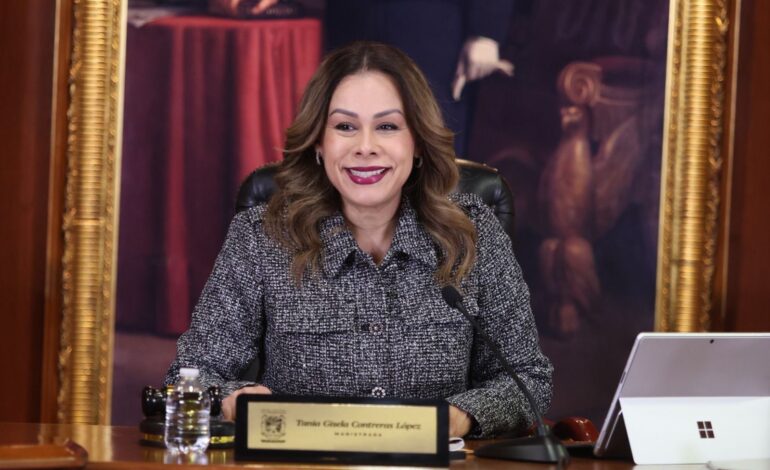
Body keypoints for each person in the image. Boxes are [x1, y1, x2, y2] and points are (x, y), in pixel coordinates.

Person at [165, 41, 552, 438]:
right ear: (319, 142)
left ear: (418, 142)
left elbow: (529, 379)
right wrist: (232, 400)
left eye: (388, 126)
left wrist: (459, 417)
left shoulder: (472, 232)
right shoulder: (262, 236)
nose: (365, 147)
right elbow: (189, 375)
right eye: (345, 127)